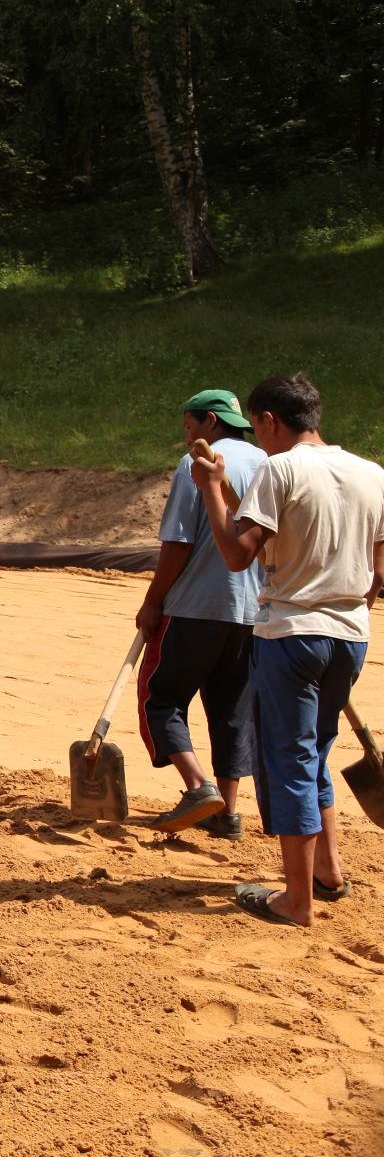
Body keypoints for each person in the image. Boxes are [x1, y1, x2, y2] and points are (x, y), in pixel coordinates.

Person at [190, 373, 384, 928]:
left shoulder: (281, 469)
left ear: (270, 420)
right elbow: (380, 571)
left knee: (290, 760)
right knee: (315, 751)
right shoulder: (371, 473)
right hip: (350, 635)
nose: (259, 439)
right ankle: (329, 871)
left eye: (257, 427)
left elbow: (236, 554)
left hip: (290, 634)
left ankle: (295, 901)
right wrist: (347, 609)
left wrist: (211, 489)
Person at [137, 390, 266, 838]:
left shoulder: (199, 462)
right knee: (231, 709)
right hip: (252, 612)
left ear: (209, 421)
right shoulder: (268, 463)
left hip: (196, 607)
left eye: (188, 425)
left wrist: (153, 600)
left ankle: (197, 787)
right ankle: (226, 813)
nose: (187, 434)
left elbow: (178, 542)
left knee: (161, 696)